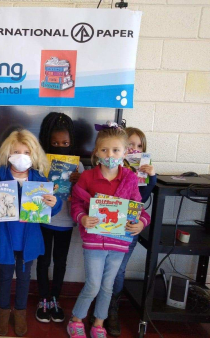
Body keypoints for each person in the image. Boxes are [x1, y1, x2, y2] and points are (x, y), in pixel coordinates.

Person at [68, 123, 151, 338]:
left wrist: (141, 222)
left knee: (108, 286)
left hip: (118, 243)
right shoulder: (87, 177)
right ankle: (76, 319)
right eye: (104, 150)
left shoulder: (130, 179)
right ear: (96, 152)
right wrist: (82, 217)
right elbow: (76, 204)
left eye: (115, 150)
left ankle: (98, 323)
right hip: (94, 241)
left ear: (124, 153)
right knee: (94, 285)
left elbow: (139, 207)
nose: (110, 154)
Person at [0, 129, 62, 337]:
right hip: (6, 238)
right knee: (4, 276)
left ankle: (19, 312)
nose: (21, 156)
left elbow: (51, 208)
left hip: (29, 239)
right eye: (16, 151)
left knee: (24, 277)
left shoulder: (39, 178)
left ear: (34, 154)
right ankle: (3, 311)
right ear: (7, 153)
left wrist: (55, 202)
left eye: (26, 152)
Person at [105, 127, 157, 336]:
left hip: (128, 227)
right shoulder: (110, 169)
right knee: (102, 269)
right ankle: (100, 307)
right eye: (130, 146)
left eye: (139, 146)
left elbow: (141, 200)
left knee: (118, 270)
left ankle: (112, 308)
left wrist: (151, 177)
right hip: (107, 226)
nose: (134, 150)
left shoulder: (144, 173)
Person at [36, 112, 84, 323]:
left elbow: (84, 194)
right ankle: (43, 298)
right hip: (44, 221)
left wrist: (79, 181)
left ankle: (55, 297)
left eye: (65, 142)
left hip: (65, 221)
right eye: (54, 142)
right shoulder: (40, 164)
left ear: (72, 141)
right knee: (43, 260)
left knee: (60, 261)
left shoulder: (79, 167)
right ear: (47, 141)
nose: (60, 146)